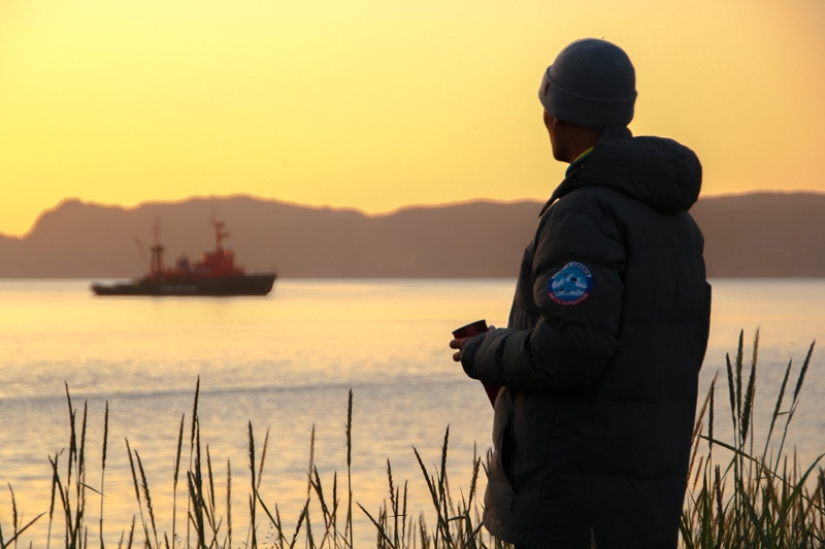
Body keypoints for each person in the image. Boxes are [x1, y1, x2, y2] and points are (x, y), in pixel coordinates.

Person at [450, 38, 711, 548]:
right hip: (645, 501)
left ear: (557, 115)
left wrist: (486, 350)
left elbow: (569, 349)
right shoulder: (675, 221)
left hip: (572, 507)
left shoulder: (582, 214)